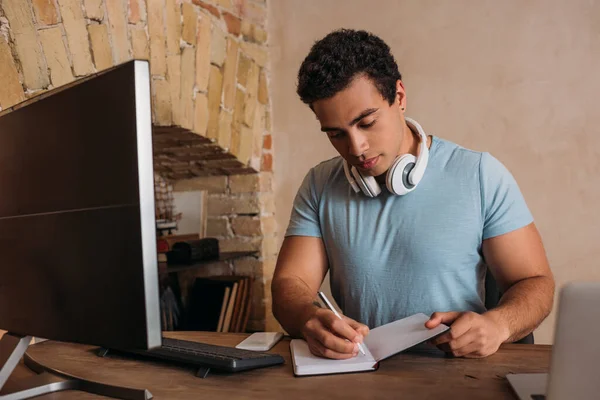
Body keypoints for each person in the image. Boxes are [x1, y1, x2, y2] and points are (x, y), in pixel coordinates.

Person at [271, 29, 554, 360]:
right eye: (336, 134)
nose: (356, 148)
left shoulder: (480, 175)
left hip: (457, 379)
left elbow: (536, 282)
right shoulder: (319, 185)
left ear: (400, 97)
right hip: (357, 378)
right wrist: (308, 319)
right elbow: (290, 284)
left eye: (366, 123)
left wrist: (499, 325)